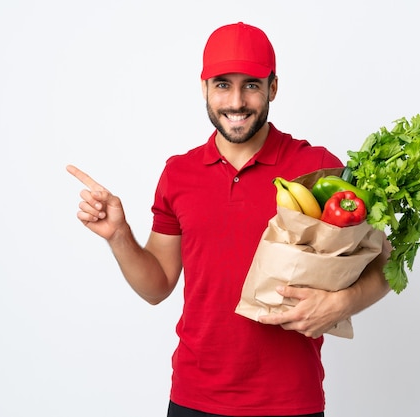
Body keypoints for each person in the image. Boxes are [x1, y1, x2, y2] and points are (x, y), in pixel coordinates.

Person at [67, 22, 391, 417]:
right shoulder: (178, 174)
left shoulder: (318, 169)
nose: (236, 101)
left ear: (273, 87)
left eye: (251, 85)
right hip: (194, 398)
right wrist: (118, 235)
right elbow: (156, 288)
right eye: (222, 84)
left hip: (290, 401)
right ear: (204, 88)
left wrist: (342, 303)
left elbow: (384, 265)